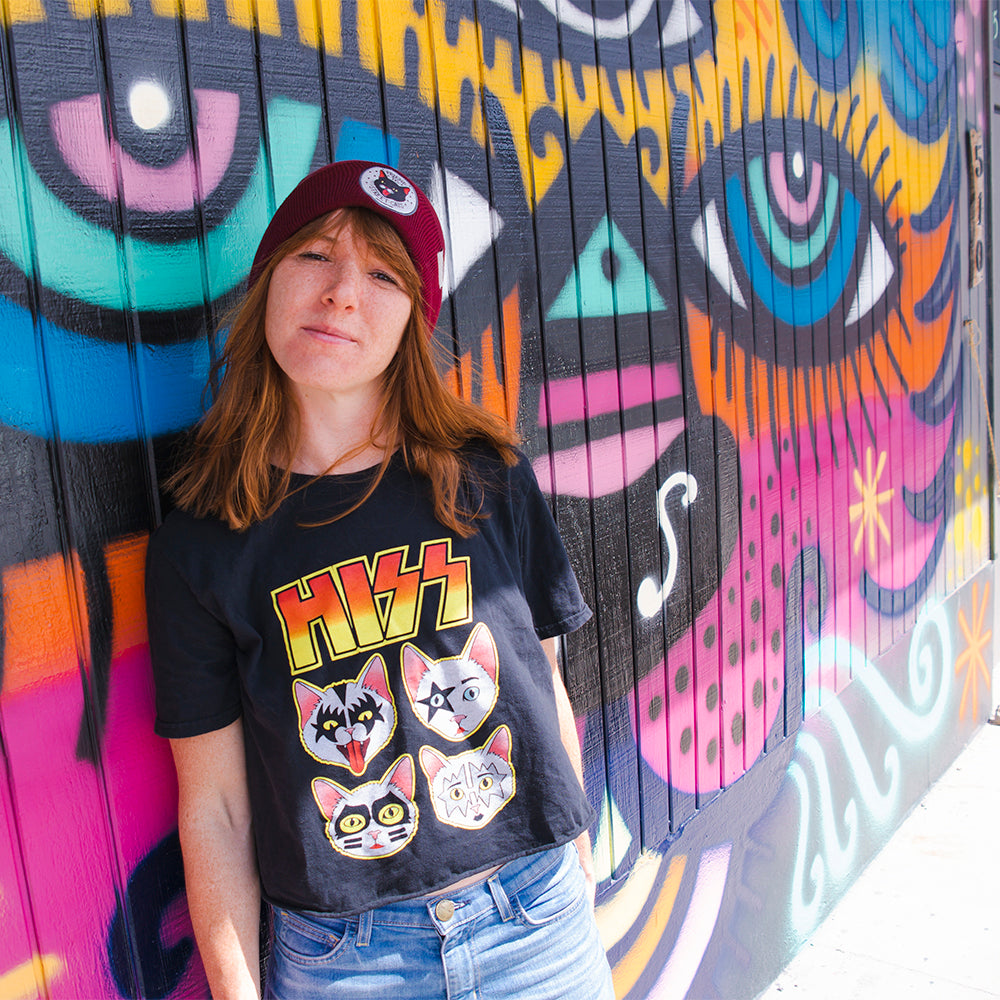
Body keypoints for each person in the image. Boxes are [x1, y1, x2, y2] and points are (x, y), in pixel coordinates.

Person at [145, 159, 615, 1000]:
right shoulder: (202, 544)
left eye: (383, 276)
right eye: (315, 256)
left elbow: (543, 678)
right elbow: (216, 808)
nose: (342, 295)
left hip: (535, 923)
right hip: (345, 962)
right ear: (268, 280)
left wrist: (575, 857)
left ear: (411, 321)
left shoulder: (485, 477)